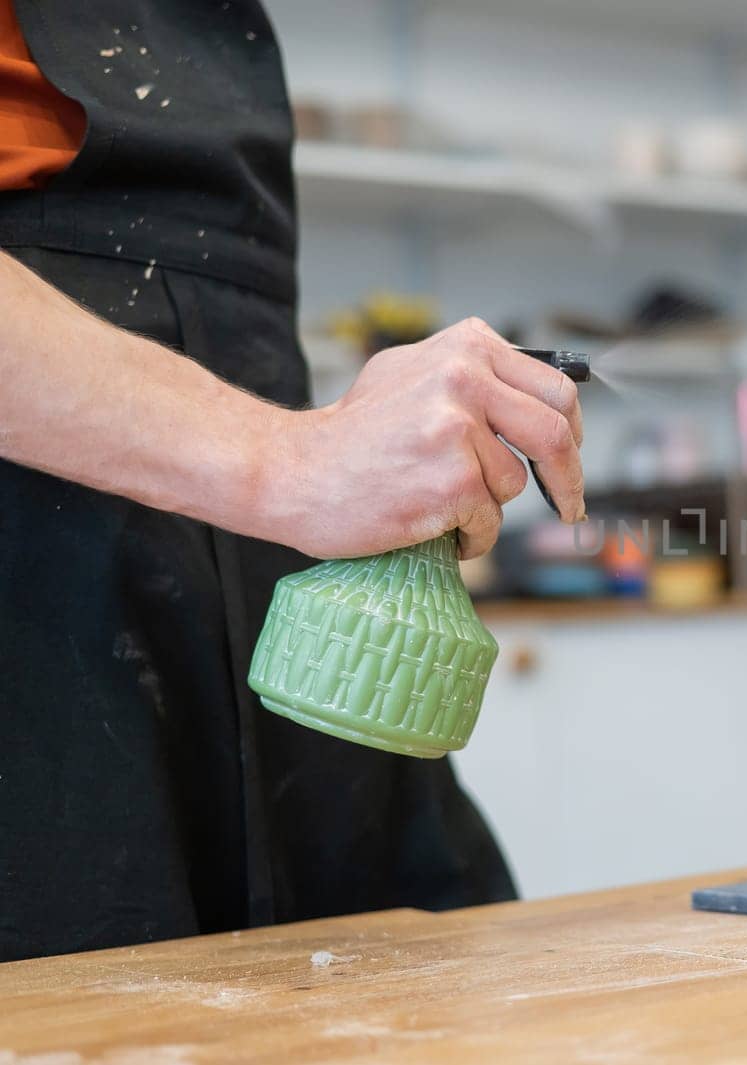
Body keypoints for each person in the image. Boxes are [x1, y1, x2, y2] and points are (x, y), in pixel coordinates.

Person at [0, 2, 585, 962]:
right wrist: (280, 462)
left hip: (276, 553)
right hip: (42, 557)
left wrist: (314, 462)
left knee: (390, 991)